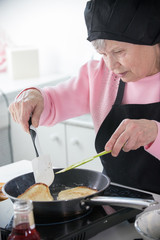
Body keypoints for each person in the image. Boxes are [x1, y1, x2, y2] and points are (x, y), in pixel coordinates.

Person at [9, 0, 160, 193]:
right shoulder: (99, 74)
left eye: (119, 52)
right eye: (103, 54)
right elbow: (53, 102)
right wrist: (33, 97)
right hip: (114, 205)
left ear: (152, 38)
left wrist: (155, 133)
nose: (111, 66)